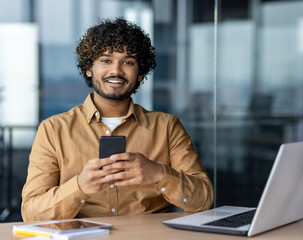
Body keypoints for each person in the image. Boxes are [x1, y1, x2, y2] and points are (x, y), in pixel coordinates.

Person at [21, 18, 214, 221]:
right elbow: (31, 213)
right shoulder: (53, 130)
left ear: (140, 74)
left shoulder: (167, 127)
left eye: (128, 62)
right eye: (106, 60)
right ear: (89, 68)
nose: (116, 70)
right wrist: (79, 186)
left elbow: (203, 199)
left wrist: (159, 174)